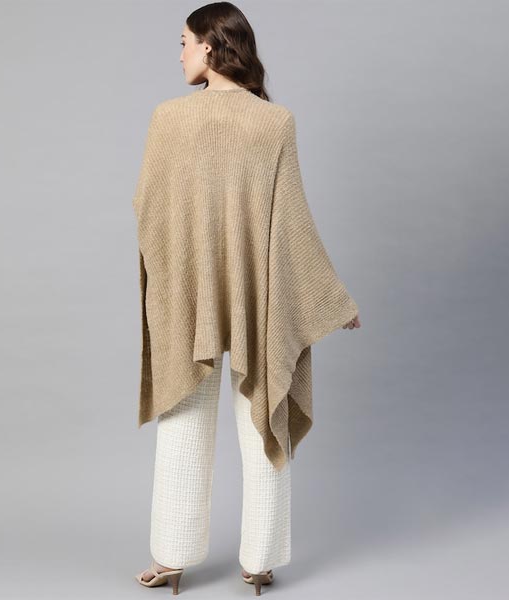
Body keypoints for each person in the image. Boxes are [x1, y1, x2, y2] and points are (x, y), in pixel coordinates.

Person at [133, 2, 361, 595]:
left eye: (184, 42)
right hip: (256, 289)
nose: (180, 54)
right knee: (262, 413)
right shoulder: (275, 120)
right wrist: (329, 296)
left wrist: (182, 271)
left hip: (189, 290)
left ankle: (172, 558)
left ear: (210, 46)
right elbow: (291, 220)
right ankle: (259, 562)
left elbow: (149, 207)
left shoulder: (168, 118)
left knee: (185, 418)